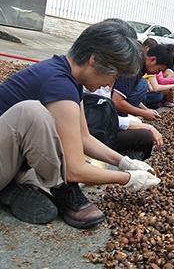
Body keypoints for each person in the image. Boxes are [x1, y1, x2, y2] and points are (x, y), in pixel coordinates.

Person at [0, 19, 161, 228]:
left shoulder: (71, 79)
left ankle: (15, 188)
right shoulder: (59, 83)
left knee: (80, 165)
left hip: (12, 158)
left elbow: (84, 137)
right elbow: (73, 170)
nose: (110, 85)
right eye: (114, 76)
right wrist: (126, 178)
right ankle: (62, 191)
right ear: (93, 60)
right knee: (32, 114)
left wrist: (123, 162)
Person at [89, 86, 163, 160]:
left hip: (101, 126)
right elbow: (108, 119)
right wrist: (149, 126)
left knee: (139, 124)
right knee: (145, 135)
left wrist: (144, 111)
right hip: (96, 133)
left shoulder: (104, 86)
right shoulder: (97, 87)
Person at [112, 44, 174, 118]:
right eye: (159, 70)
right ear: (152, 59)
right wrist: (142, 113)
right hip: (106, 104)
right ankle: (118, 116)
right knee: (143, 84)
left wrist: (145, 110)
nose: (157, 73)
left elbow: (127, 92)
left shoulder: (139, 60)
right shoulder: (134, 68)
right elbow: (116, 101)